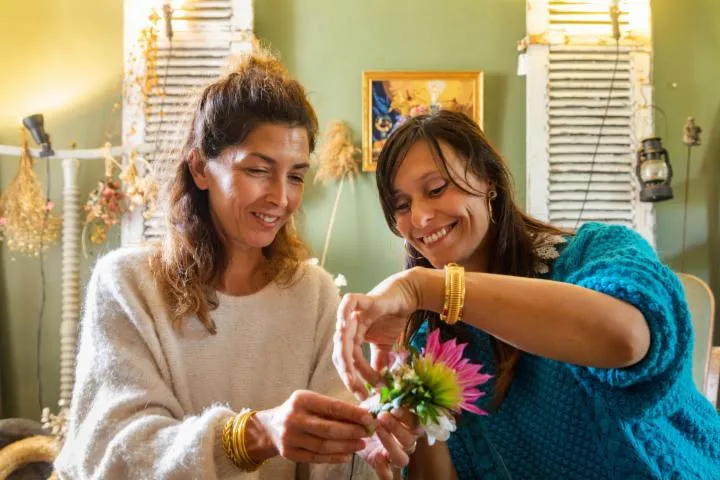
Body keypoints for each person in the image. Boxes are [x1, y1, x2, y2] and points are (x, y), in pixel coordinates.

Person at [54, 51, 416, 480]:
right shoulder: (128, 285)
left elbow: (330, 467)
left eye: (296, 176)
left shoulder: (313, 294)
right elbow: (111, 455)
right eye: (259, 170)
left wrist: (371, 433)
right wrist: (251, 436)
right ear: (199, 168)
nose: (281, 198)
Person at [333, 110, 720, 479]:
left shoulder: (597, 252)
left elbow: (627, 338)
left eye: (436, 189)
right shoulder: (427, 344)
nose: (419, 218)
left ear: (489, 182)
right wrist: (416, 427)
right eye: (402, 206)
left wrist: (424, 286)